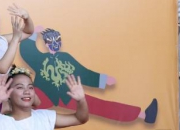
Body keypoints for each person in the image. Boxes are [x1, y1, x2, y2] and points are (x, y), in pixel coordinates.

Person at [20, 27, 158, 124]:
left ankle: (143, 115)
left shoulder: (66, 58)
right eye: (51, 41)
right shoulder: (41, 59)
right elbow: (27, 52)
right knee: (20, 102)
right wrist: (33, 34)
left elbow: (82, 73)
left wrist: (102, 79)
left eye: (57, 40)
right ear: (46, 43)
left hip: (65, 95)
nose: (55, 44)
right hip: (42, 94)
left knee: (97, 105)